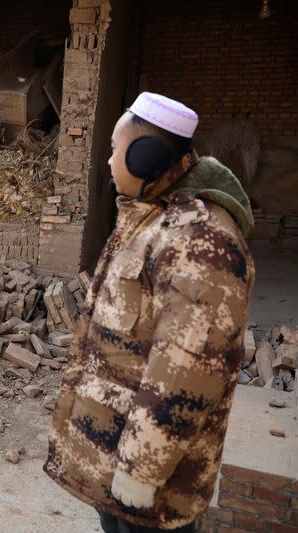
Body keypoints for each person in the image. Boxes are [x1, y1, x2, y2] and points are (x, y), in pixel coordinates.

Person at [43, 92, 255, 533]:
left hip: (148, 477)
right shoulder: (149, 218)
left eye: (114, 150)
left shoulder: (200, 241)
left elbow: (187, 371)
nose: (107, 161)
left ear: (145, 158)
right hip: (115, 451)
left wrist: (141, 471)